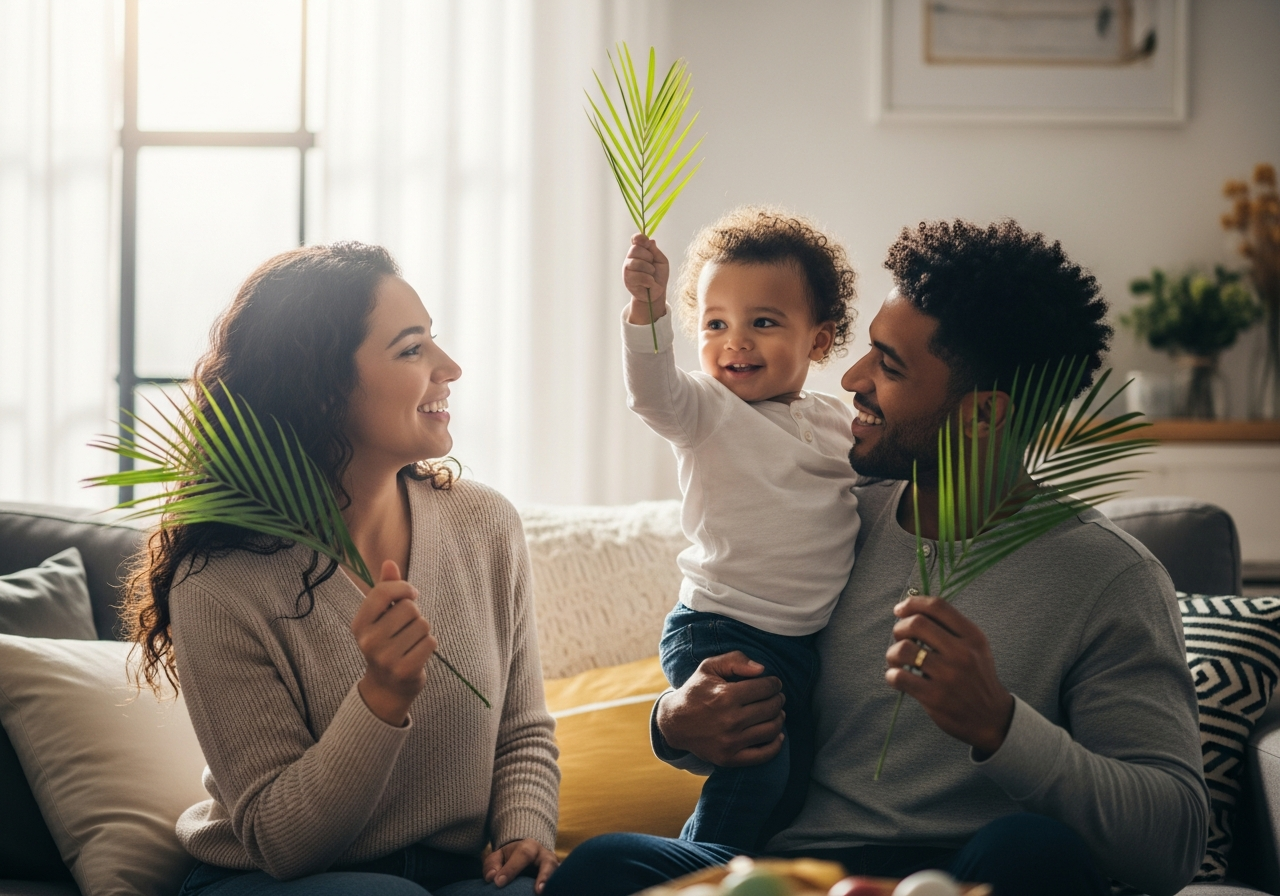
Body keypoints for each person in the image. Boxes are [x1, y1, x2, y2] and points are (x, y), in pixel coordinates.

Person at [547, 220, 1209, 896]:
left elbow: (1174, 843)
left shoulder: (1109, 577)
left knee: (1035, 852)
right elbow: (736, 669)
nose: (854, 377)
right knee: (602, 869)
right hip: (797, 875)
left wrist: (1000, 725)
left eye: (889, 366)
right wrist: (675, 722)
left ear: (983, 416)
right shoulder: (829, 510)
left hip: (962, 878)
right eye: (868, 351)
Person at [122, 243, 561, 896]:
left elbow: (522, 729)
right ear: (323, 388)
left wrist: (527, 832)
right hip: (283, 881)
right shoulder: (218, 583)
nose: (451, 367)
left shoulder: (486, 525)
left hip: (454, 878)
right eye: (412, 350)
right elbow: (279, 839)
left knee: (611, 868)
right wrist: (380, 698)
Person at [620, 208, 861, 849]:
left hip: (801, 647)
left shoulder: (836, 424)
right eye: (715, 323)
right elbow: (652, 393)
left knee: (792, 783)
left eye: (763, 322)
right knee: (757, 768)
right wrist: (649, 316)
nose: (736, 342)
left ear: (818, 339)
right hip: (722, 627)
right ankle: (705, 867)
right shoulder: (708, 409)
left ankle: (750, 867)